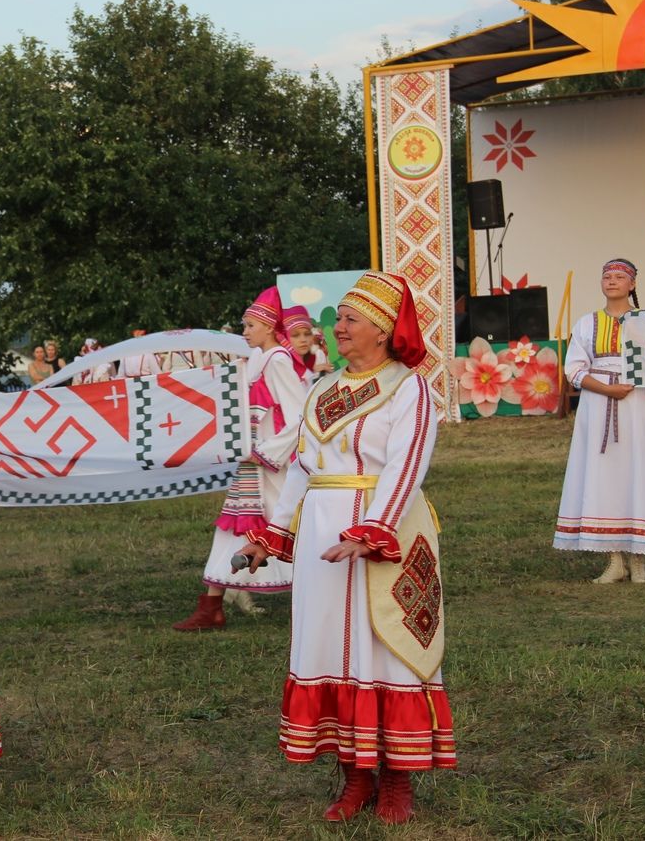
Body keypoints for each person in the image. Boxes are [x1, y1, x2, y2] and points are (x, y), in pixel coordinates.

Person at [235, 272, 456, 824]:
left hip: (388, 536)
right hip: (321, 538)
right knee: (329, 649)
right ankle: (356, 778)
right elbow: (304, 467)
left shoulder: (409, 389)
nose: (338, 329)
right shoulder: (323, 389)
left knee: (386, 650)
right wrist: (275, 533)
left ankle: (398, 782)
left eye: (350, 320)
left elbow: (407, 465)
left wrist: (372, 530)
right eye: (339, 320)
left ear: (382, 330)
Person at [173, 287, 306, 629]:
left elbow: (300, 415)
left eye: (249, 326)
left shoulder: (277, 361)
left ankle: (320, 599)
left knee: (291, 527)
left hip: (272, 466)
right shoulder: (259, 360)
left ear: (268, 326)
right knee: (238, 527)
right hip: (255, 465)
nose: (244, 332)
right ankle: (211, 605)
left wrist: (268, 452)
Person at [554, 258, 645, 580]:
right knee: (604, 476)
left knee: (638, 471)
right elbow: (574, 370)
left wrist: (634, 384)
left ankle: (639, 563)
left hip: (635, 404)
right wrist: (607, 389)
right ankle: (615, 562)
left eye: (620, 276)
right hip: (597, 406)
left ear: (632, 284)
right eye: (607, 276)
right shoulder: (586, 323)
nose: (612, 281)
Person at [281, 306, 319, 384]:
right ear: (285, 338)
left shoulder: (312, 364)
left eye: (307, 334)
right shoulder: (279, 365)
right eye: (295, 335)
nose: (303, 340)